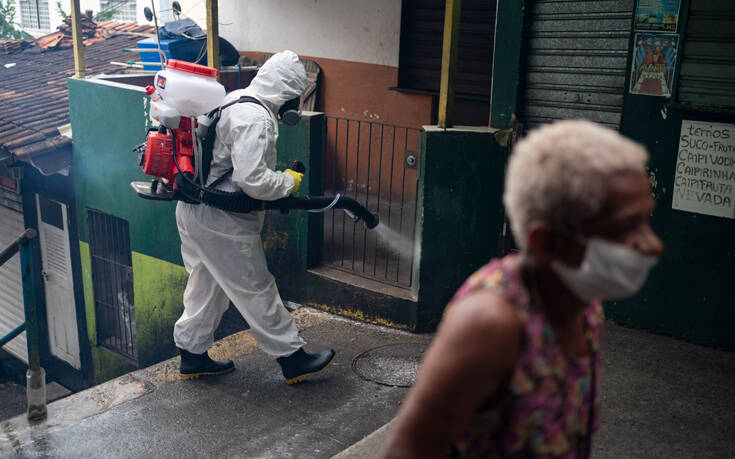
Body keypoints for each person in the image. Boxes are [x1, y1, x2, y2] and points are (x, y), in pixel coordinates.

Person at [381, 120, 663, 457]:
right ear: (547, 243)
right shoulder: (490, 325)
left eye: (647, 220)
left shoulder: (584, 303)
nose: (652, 245)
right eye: (627, 227)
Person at [173, 50, 335, 384]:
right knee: (255, 286)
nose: (294, 105)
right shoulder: (256, 119)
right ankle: (293, 358)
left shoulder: (234, 99)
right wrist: (287, 181)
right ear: (286, 91)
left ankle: (192, 356)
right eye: (294, 97)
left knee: (208, 284)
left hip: (194, 209)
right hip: (222, 220)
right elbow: (254, 181)